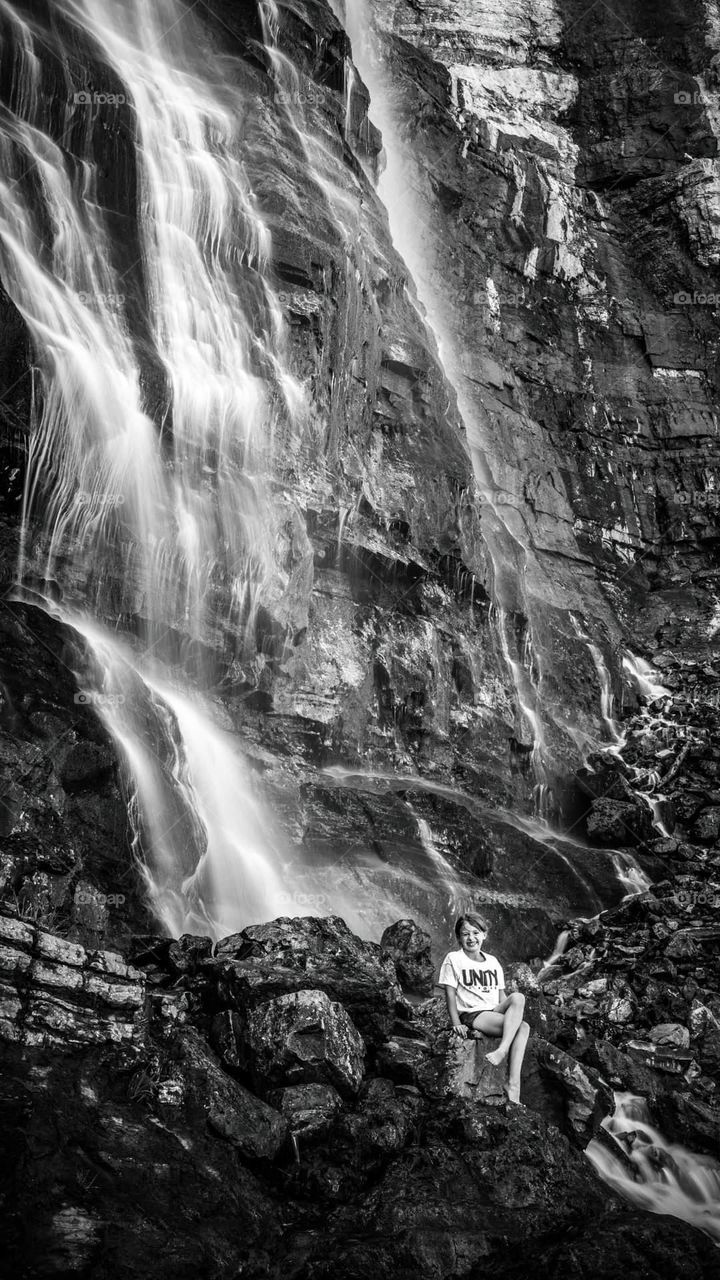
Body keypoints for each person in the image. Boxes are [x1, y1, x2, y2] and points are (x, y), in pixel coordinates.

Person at [439, 912, 529, 1104]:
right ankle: (512, 1084)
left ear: (484, 935)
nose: (471, 938)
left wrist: (511, 1012)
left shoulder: (493, 961)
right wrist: (456, 1023)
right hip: (473, 1014)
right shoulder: (454, 959)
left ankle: (509, 1072)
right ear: (458, 937)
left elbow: (501, 996)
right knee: (523, 1028)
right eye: (465, 934)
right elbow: (450, 993)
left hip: (493, 1010)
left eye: (476, 932)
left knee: (518, 998)